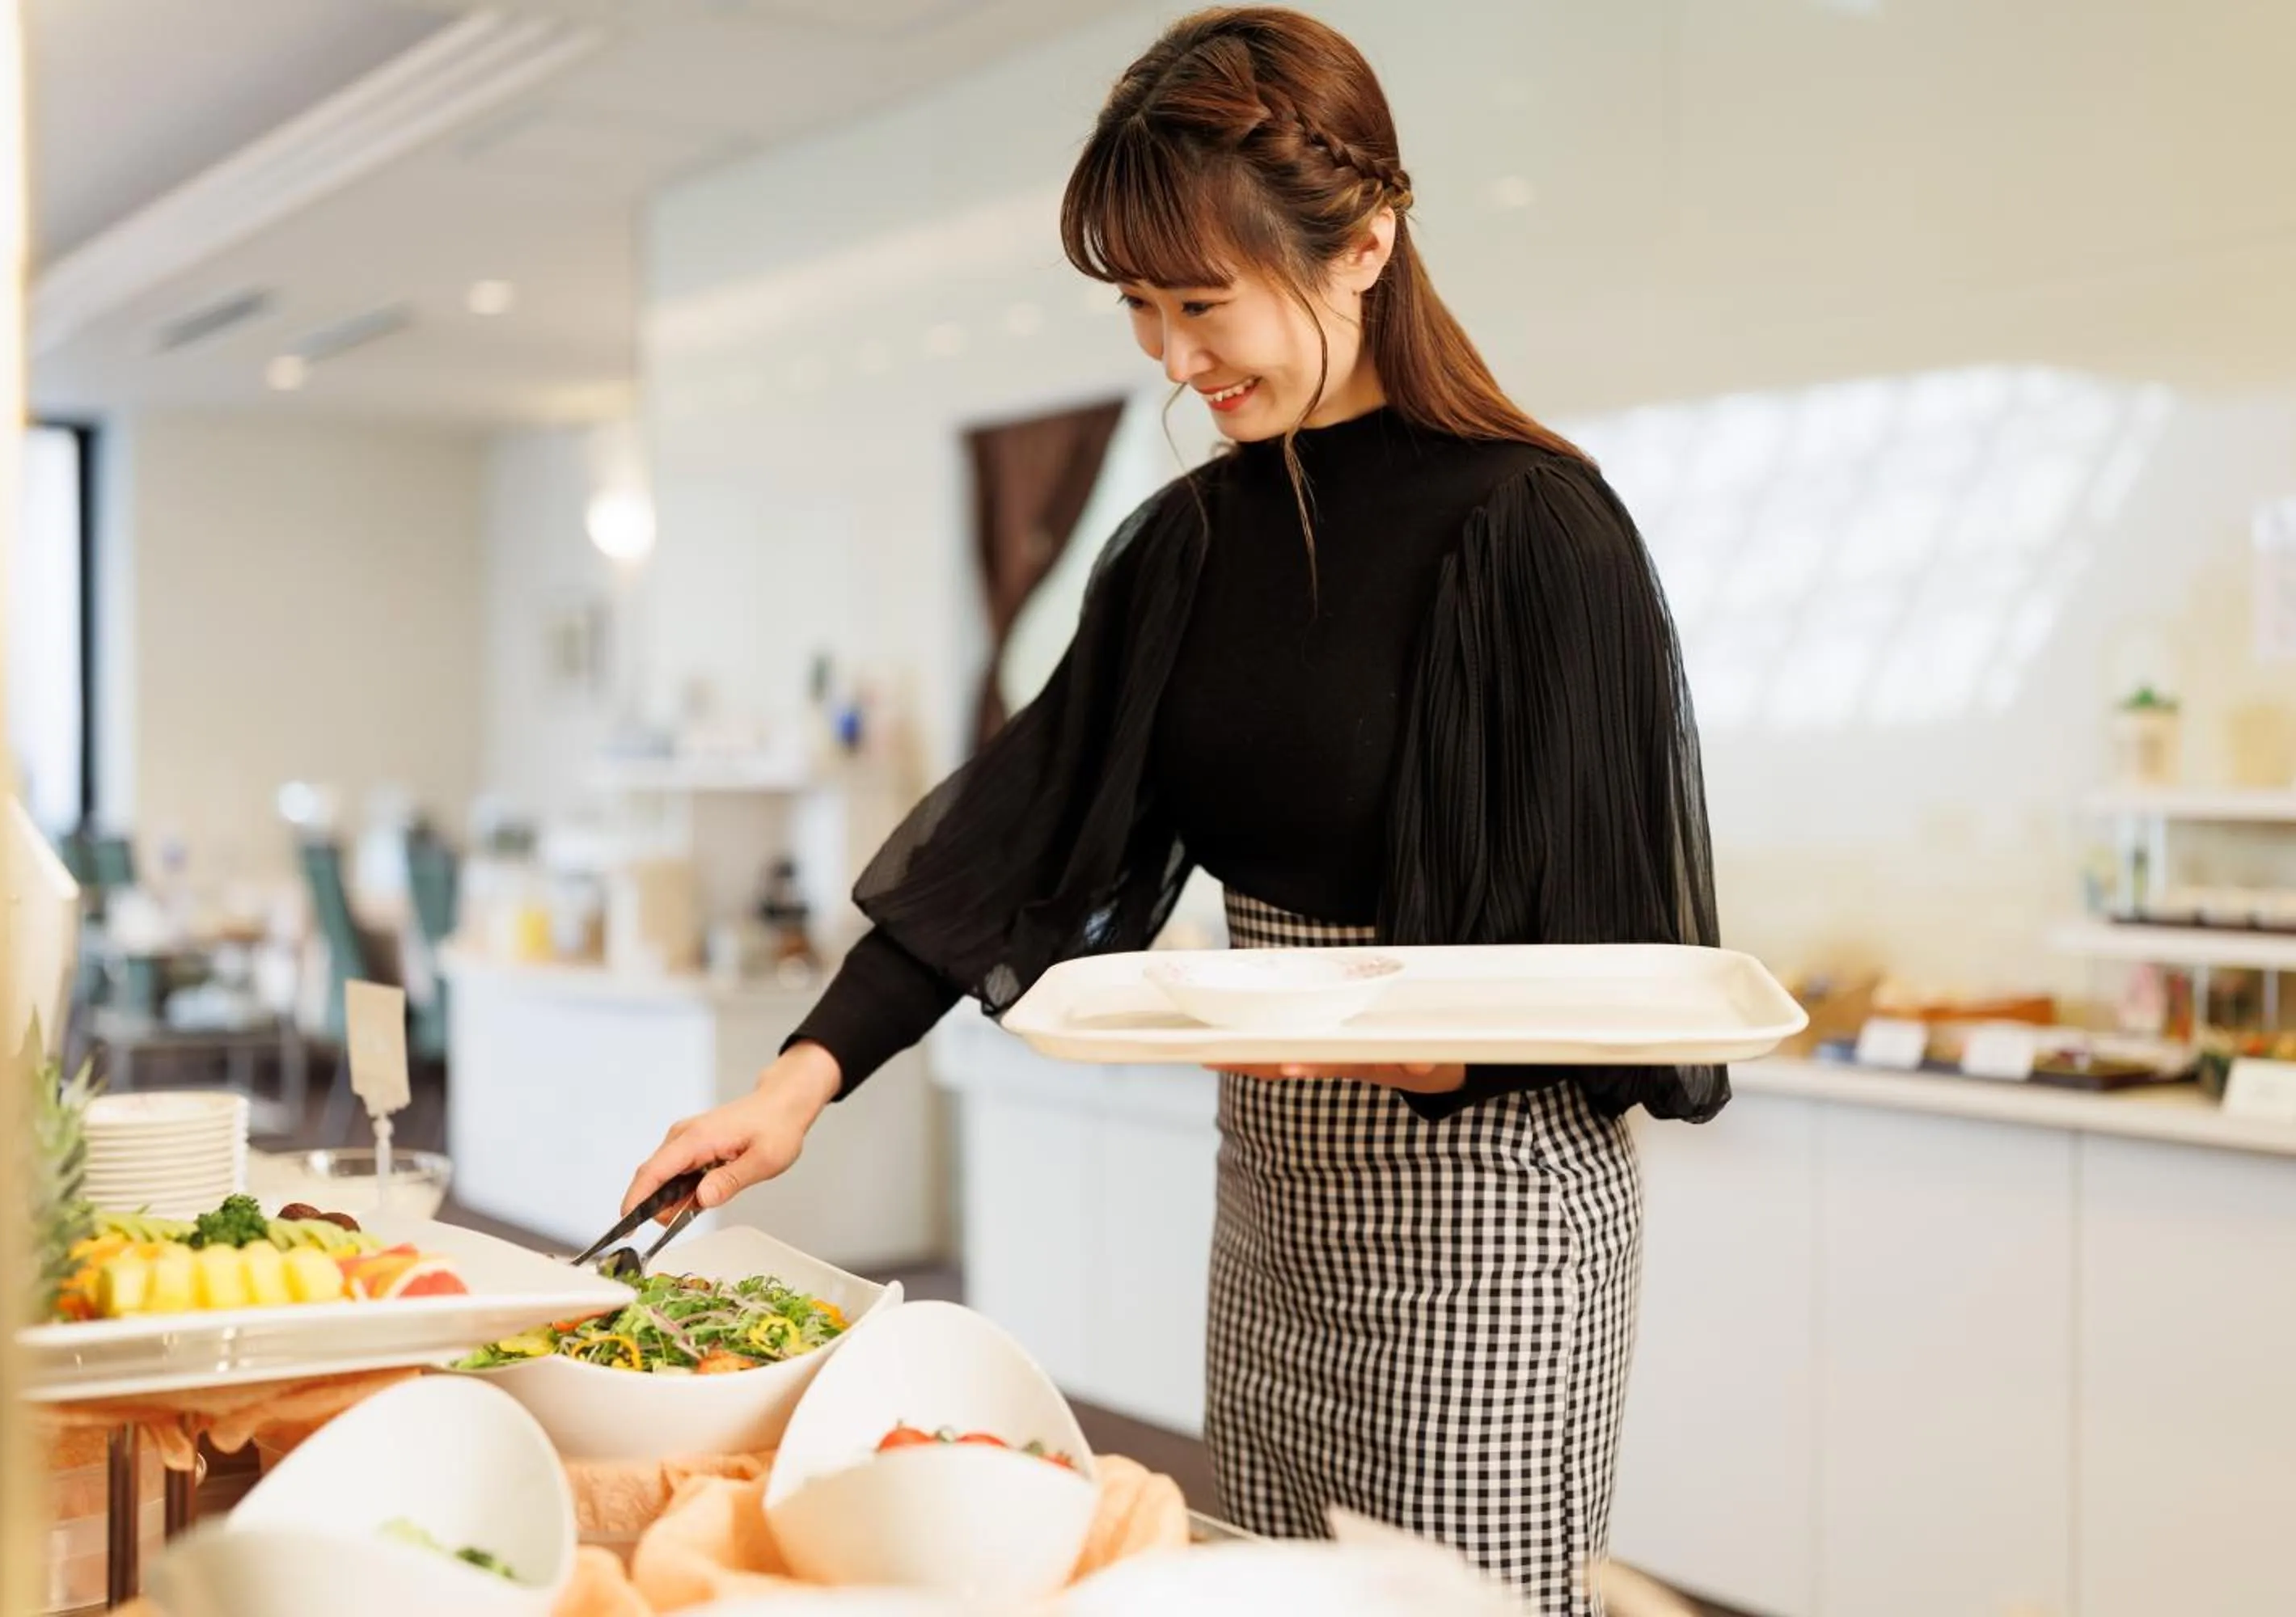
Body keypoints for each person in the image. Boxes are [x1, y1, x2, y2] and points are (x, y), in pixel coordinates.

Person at [623, 9, 1720, 1613]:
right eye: (1142, 306)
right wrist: (802, 1080)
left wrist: (1431, 1039)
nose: (1170, 355)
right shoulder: (1187, 546)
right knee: (1262, 1586)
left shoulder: (1538, 532)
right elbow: (1023, 828)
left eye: (1201, 301)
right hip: (1274, 1190)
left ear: (1365, 244)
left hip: (1489, 1208)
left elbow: (1630, 958)